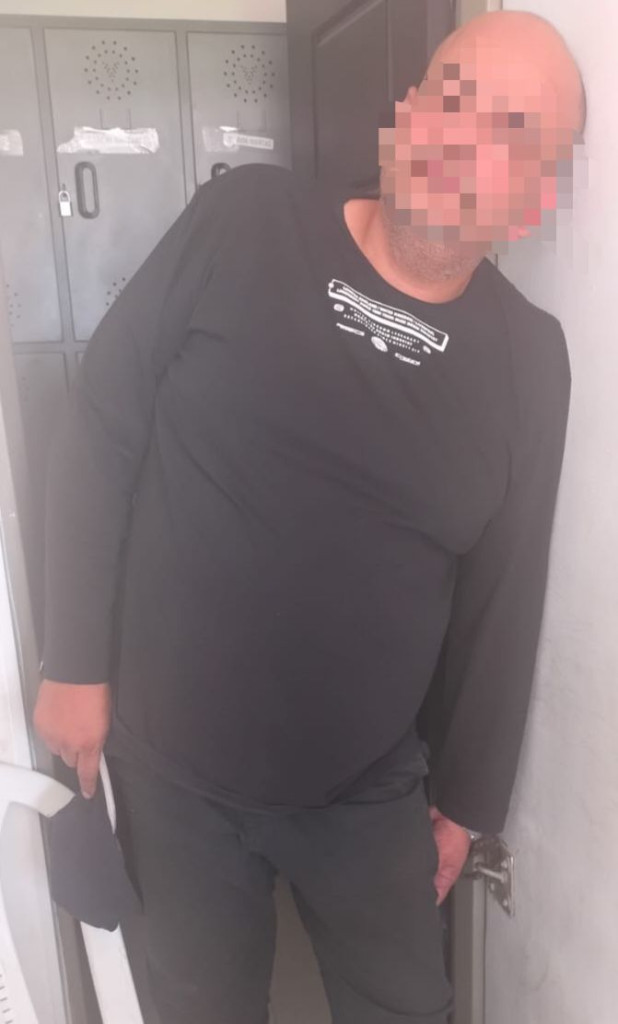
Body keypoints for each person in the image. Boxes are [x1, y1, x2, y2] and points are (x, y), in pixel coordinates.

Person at [33, 10, 584, 1024]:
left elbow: (504, 593)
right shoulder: (246, 218)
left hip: (366, 790)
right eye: (454, 97)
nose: (463, 139)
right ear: (408, 112)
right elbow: (104, 418)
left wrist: (468, 803)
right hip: (171, 772)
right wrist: (72, 661)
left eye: (511, 131)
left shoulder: (530, 359)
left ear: (537, 195)